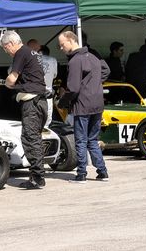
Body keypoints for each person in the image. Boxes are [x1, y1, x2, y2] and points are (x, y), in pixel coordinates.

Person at [57, 31, 110, 183]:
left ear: (71, 40)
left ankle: (81, 174)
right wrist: (94, 83)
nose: (61, 48)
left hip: (82, 105)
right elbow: (106, 70)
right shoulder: (93, 56)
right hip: (97, 103)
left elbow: (73, 88)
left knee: (81, 140)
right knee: (93, 139)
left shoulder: (75, 61)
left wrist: (62, 103)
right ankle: (102, 172)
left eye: (62, 45)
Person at [0, 31, 47, 189]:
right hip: (41, 100)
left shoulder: (21, 53)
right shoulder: (33, 52)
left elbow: (12, 79)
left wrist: (6, 83)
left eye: (5, 49)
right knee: (35, 137)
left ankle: (37, 177)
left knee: (29, 137)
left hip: (31, 100)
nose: (6, 52)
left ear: (10, 44)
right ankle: (38, 173)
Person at [39, 45, 58, 126]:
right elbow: (54, 75)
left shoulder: (33, 59)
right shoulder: (53, 60)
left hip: (34, 94)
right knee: (47, 122)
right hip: (48, 94)